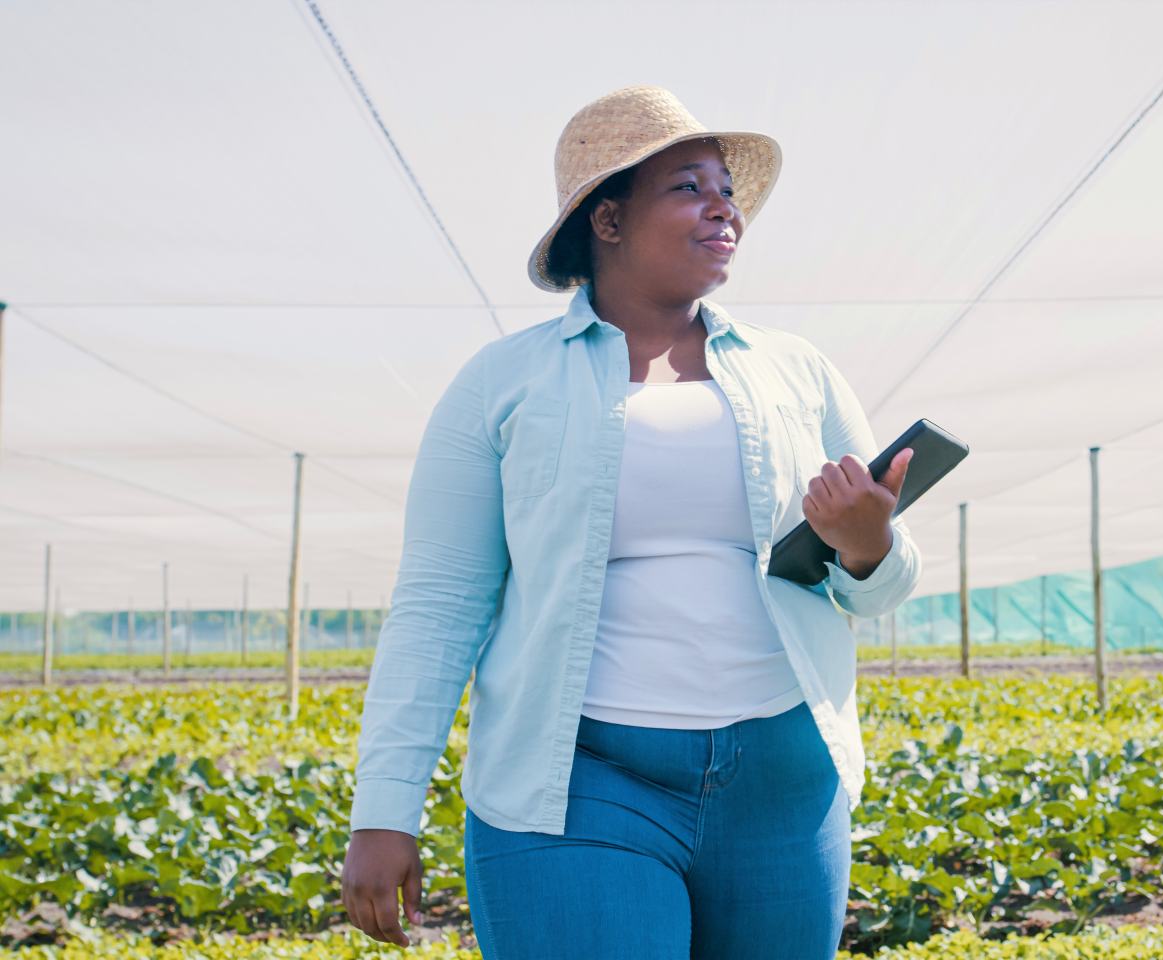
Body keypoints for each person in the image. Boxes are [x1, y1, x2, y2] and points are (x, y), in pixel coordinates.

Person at [340, 84, 922, 959]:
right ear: (606, 223)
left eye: (726, 188)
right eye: (689, 186)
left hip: (782, 784)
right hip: (577, 781)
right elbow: (437, 603)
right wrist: (386, 807)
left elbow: (882, 586)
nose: (722, 206)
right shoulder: (502, 386)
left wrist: (868, 545)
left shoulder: (798, 372)